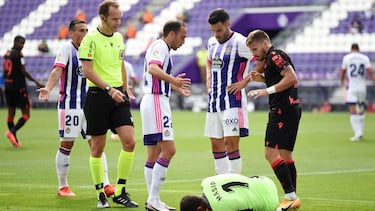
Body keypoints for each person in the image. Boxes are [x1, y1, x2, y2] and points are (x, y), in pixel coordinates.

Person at [37, 20, 115, 198]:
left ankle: (106, 184)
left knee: (97, 145)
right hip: (70, 105)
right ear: (71, 33)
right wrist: (48, 88)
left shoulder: (91, 49)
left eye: (87, 30)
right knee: (67, 144)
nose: (85, 33)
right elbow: (57, 71)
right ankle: (62, 186)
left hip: (90, 106)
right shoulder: (66, 49)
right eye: (81, 30)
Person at [78, 1, 138, 208]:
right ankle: (101, 193)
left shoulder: (120, 37)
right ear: (103, 18)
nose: (118, 22)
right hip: (98, 96)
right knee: (98, 147)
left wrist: (124, 86)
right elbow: (88, 71)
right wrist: (109, 89)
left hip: (118, 95)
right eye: (114, 19)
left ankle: (120, 191)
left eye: (120, 18)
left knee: (130, 142)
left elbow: (120, 63)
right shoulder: (90, 40)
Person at [245, 29, 301, 210]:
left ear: (264, 43)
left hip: (282, 110)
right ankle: (292, 198)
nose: (254, 54)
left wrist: (265, 90)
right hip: (290, 108)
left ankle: (290, 196)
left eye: (254, 49)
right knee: (286, 155)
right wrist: (262, 79)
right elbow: (279, 79)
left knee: (270, 153)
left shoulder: (275, 55)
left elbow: (291, 78)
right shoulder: (270, 59)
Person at [140, 20, 190, 211]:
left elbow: (156, 74)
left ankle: (153, 200)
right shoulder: (160, 46)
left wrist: (175, 86)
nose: (183, 41)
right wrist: (173, 80)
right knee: (169, 150)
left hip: (153, 100)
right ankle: (153, 199)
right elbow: (153, 69)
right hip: (156, 101)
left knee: (153, 153)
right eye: (182, 36)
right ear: (171, 34)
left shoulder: (161, 47)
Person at [205, 8, 252, 175]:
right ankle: (222, 181)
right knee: (216, 143)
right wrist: (208, 78)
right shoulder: (211, 42)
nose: (216, 34)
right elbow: (209, 61)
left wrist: (244, 82)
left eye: (219, 30)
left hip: (233, 100)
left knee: (230, 143)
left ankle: (235, 182)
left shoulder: (241, 42)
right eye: (213, 31)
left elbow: (263, 57)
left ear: (228, 24)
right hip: (214, 101)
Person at [3, 35, 44, 148]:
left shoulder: (7, 54)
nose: (22, 46)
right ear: (15, 42)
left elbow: (5, 72)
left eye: (23, 43)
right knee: (26, 114)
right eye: (21, 43)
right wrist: (36, 82)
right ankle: (12, 132)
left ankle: (14, 140)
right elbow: (23, 71)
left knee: (11, 114)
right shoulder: (19, 55)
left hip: (8, 87)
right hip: (18, 87)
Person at [180, 174, 279, 211]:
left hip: (271, 203)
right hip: (263, 180)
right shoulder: (206, 182)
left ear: (199, 210)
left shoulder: (221, 207)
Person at [340, 43, 375, 141]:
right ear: (358, 49)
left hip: (352, 87)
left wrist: (342, 81)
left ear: (351, 49)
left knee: (353, 110)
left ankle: (357, 133)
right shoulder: (364, 58)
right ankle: (360, 131)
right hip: (362, 88)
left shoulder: (347, 58)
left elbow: (343, 71)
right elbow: (370, 72)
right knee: (361, 109)